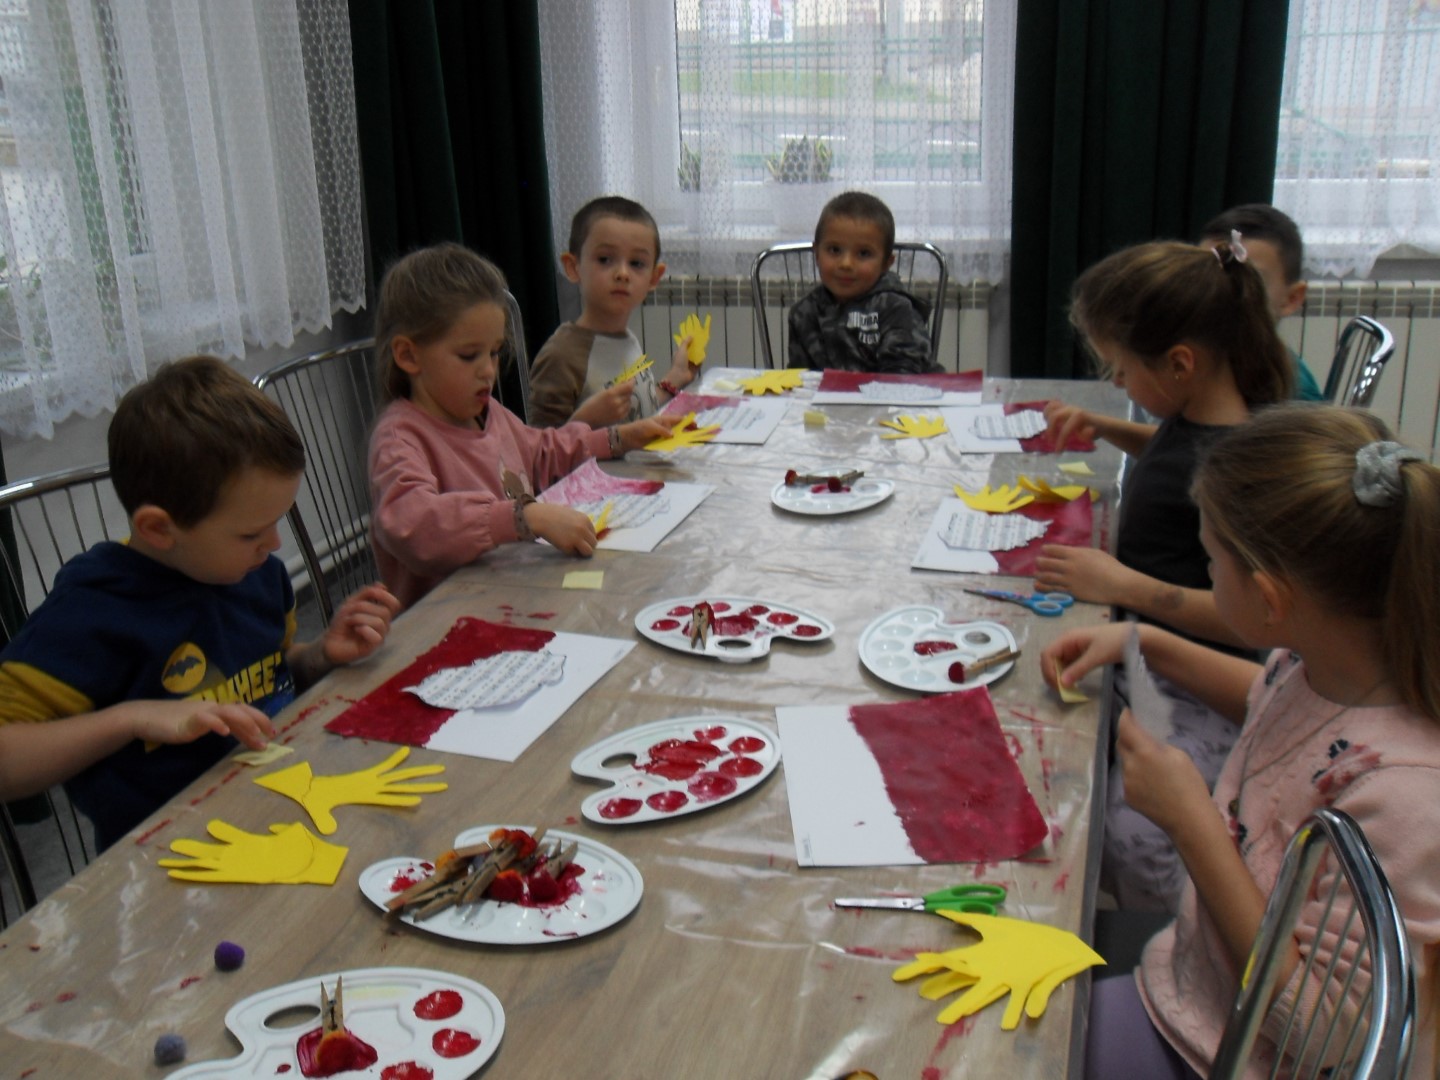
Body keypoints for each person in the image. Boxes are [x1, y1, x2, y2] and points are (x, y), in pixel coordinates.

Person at [1044, 404, 1440, 1080]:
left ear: (1268, 598)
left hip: (1229, 1056)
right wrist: (1150, 642)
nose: (1206, 572)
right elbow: (1278, 701)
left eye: (1211, 561)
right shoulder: (1328, 664)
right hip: (1194, 990)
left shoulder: (1404, 797)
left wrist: (1191, 821)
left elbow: (1320, 1034)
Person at [0, 356, 400, 851]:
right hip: (172, 855)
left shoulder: (254, 574)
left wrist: (318, 655)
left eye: (278, 521)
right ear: (158, 529)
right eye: (251, 533)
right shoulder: (92, 611)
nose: (275, 544)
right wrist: (133, 717)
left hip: (283, 810)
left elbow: (267, 673)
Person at [1038, 238, 1292, 911]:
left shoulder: (1239, 468)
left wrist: (1124, 586)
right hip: (1142, 650)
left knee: (1122, 829)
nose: (1118, 383)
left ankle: (1171, 928)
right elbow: (1178, 453)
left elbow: (1258, 623)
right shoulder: (1203, 420)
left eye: (1121, 370)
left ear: (1180, 364)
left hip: (1197, 687)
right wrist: (1107, 426)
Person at [368, 243, 676, 609]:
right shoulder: (399, 438)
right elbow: (414, 525)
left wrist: (617, 438)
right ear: (408, 355)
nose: (488, 370)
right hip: (448, 619)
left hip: (514, 595)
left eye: (494, 352)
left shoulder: (489, 413)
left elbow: (543, 452)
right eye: (469, 355)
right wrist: (522, 517)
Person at [530, 196, 698, 428]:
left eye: (636, 263)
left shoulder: (627, 339)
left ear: (654, 277)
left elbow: (636, 413)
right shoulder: (561, 356)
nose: (622, 274)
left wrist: (675, 378)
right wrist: (586, 419)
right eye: (605, 259)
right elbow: (541, 447)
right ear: (573, 267)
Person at [786, 190, 935, 373]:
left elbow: (903, 377)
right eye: (834, 250)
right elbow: (799, 379)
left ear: (886, 263)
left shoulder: (896, 308)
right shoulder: (803, 313)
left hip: (894, 391)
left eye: (864, 253)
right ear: (816, 254)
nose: (846, 264)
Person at [1200, 203, 1326, 402]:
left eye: (1247, 279)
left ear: (1292, 299)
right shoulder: (1206, 357)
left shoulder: (1290, 396)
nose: (1221, 292)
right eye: (1209, 274)